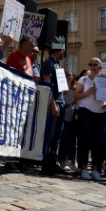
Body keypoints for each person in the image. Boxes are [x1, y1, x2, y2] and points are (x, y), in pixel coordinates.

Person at [74, 58, 106, 181]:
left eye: (96, 64)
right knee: (85, 140)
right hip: (86, 111)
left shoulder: (105, 81)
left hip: (100, 112)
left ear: (100, 67)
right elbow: (76, 96)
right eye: (90, 64)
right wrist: (88, 92)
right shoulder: (83, 79)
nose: (93, 66)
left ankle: (95, 169)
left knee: (99, 142)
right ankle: (83, 168)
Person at [40, 38, 66, 175]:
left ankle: (53, 161)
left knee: (57, 136)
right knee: (50, 135)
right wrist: (53, 104)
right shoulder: (48, 63)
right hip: (54, 104)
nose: (64, 52)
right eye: (63, 50)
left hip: (61, 102)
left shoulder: (58, 65)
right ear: (59, 50)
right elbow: (47, 85)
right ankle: (46, 163)